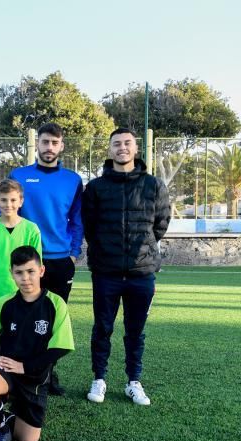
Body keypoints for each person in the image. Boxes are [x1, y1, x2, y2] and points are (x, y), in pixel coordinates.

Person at [0, 123, 83, 395]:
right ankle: (8, 371)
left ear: (61, 145)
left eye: (54, 142)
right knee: (19, 319)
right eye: (45, 142)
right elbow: (4, 204)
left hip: (59, 260)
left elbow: (77, 220)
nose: (49, 147)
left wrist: (74, 253)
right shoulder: (20, 175)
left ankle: (46, 375)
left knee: (51, 321)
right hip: (27, 264)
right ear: (37, 144)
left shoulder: (72, 180)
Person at [82, 128, 170, 406]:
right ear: (109, 150)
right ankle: (99, 379)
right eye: (116, 144)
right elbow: (89, 226)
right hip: (106, 273)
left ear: (136, 148)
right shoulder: (96, 187)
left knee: (135, 331)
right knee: (102, 328)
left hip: (141, 273)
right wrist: (106, 250)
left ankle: (134, 381)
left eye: (127, 143)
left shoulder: (153, 185)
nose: (122, 148)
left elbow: (161, 224)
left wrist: (142, 247)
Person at [0, 246, 74, 441]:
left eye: (30, 271)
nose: (25, 278)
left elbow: (61, 346)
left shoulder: (55, 304)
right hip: (6, 371)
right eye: (19, 272)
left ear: (41, 271)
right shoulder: (4, 304)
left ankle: (9, 415)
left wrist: (25, 366)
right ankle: (1, 427)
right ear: (12, 274)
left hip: (34, 377)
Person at [0, 179, 42, 308]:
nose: (8, 204)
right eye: (3, 200)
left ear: (21, 201)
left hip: (24, 290)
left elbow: (37, 263)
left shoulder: (31, 229)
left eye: (13, 200)